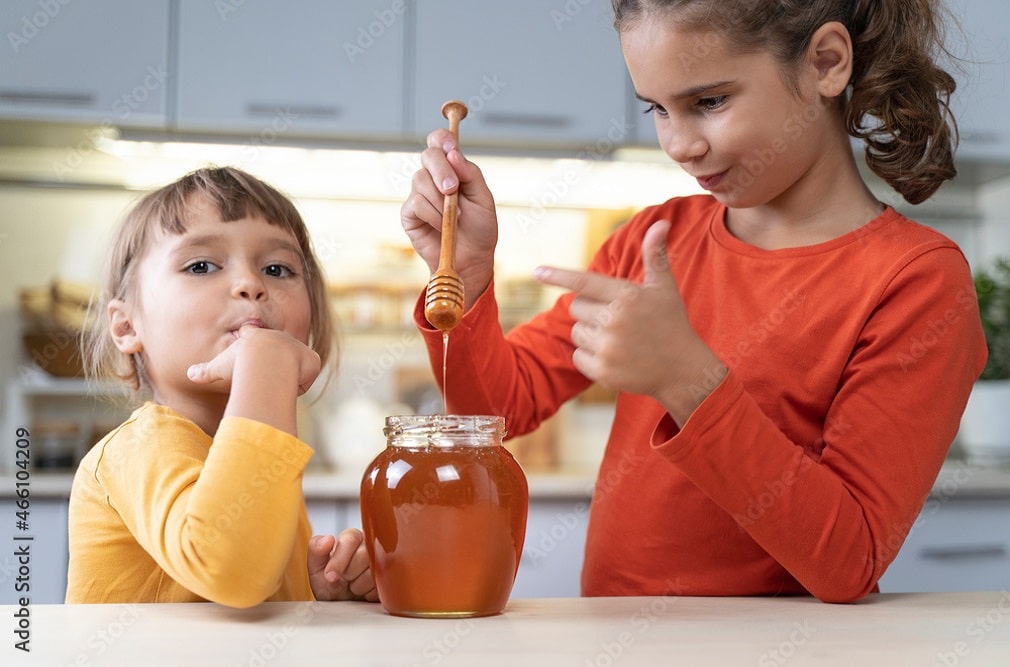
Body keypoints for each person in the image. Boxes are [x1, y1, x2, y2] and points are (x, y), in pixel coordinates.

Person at [400, 0, 988, 603]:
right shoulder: (655, 237)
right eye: (657, 108)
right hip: (613, 635)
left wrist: (689, 381)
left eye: (709, 102)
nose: (679, 145)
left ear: (826, 64)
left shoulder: (915, 281)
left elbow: (849, 561)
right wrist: (467, 275)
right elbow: (498, 410)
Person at [67, 167, 378, 607]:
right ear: (126, 325)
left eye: (277, 268)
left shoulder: (261, 455)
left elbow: (254, 607)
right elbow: (231, 571)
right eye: (200, 266)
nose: (251, 285)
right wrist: (266, 361)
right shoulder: (140, 448)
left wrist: (321, 592)